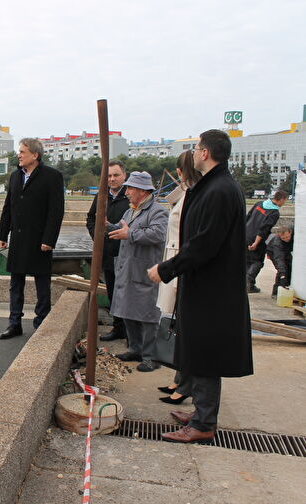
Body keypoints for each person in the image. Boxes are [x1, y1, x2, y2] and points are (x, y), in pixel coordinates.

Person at [149, 129, 253, 444]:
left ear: (205, 152)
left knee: (206, 355)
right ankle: (200, 413)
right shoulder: (215, 186)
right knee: (198, 350)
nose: (194, 153)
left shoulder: (219, 190)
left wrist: (166, 270)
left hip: (212, 291)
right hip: (207, 287)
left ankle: (204, 424)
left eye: (196, 148)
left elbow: (203, 244)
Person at [0, 138, 64, 339]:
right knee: (15, 284)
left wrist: (49, 240)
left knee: (42, 284)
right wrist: (2, 234)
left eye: (23, 152)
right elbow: (8, 207)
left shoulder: (52, 176)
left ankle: (41, 324)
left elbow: (56, 211)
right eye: (19, 151)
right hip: (18, 239)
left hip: (40, 241)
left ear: (35, 155)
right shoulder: (16, 176)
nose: (19, 155)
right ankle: (14, 323)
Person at [107, 171, 168, 372]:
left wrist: (129, 233)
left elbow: (158, 234)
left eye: (130, 188)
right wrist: (109, 226)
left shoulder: (158, 211)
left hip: (145, 270)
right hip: (127, 269)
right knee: (128, 311)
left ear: (142, 191)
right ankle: (135, 349)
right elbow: (124, 228)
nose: (127, 192)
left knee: (148, 315)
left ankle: (151, 357)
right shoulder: (129, 211)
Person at [155, 151, 202, 403]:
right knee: (177, 322)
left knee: (183, 325)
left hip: (179, 264)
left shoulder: (193, 195)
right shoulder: (184, 194)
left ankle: (185, 384)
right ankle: (179, 379)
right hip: (174, 260)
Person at [85, 159, 130, 342]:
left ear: (124, 176)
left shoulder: (130, 196)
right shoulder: (101, 196)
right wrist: (99, 239)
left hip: (126, 254)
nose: (112, 179)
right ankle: (118, 328)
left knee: (127, 293)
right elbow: (90, 219)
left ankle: (130, 332)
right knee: (113, 292)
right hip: (107, 253)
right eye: (109, 176)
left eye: (116, 175)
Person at [245, 190, 288, 292]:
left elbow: (247, 218)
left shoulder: (260, 204)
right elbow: (264, 229)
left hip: (246, 235)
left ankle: (249, 285)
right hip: (256, 238)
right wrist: (256, 243)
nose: (284, 203)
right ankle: (249, 279)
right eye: (285, 201)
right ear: (281, 199)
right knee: (257, 261)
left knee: (247, 260)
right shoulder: (274, 212)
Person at [266, 224, 294, 297]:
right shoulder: (277, 243)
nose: (286, 239)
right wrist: (282, 274)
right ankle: (276, 292)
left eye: (287, 237)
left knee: (291, 266)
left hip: (286, 250)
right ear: (279, 236)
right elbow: (279, 259)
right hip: (273, 251)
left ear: (290, 232)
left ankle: (287, 287)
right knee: (282, 270)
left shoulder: (294, 231)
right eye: (283, 238)